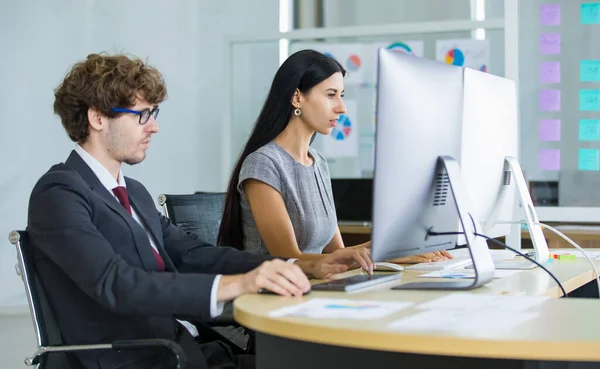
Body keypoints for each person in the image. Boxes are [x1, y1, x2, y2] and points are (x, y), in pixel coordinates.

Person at [27, 53, 359, 369]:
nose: (153, 127)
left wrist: (298, 264)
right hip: (140, 358)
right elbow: (118, 284)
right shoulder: (59, 194)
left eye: (153, 114)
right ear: (97, 117)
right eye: (142, 114)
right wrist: (237, 284)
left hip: (189, 347)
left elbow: (193, 254)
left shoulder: (134, 194)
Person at [218, 49, 452, 265]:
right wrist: (379, 254)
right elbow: (289, 260)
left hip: (314, 289)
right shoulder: (263, 164)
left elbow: (334, 253)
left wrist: (394, 252)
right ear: (297, 97)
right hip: (267, 297)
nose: (342, 107)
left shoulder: (317, 162)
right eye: (331, 95)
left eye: (341, 95)